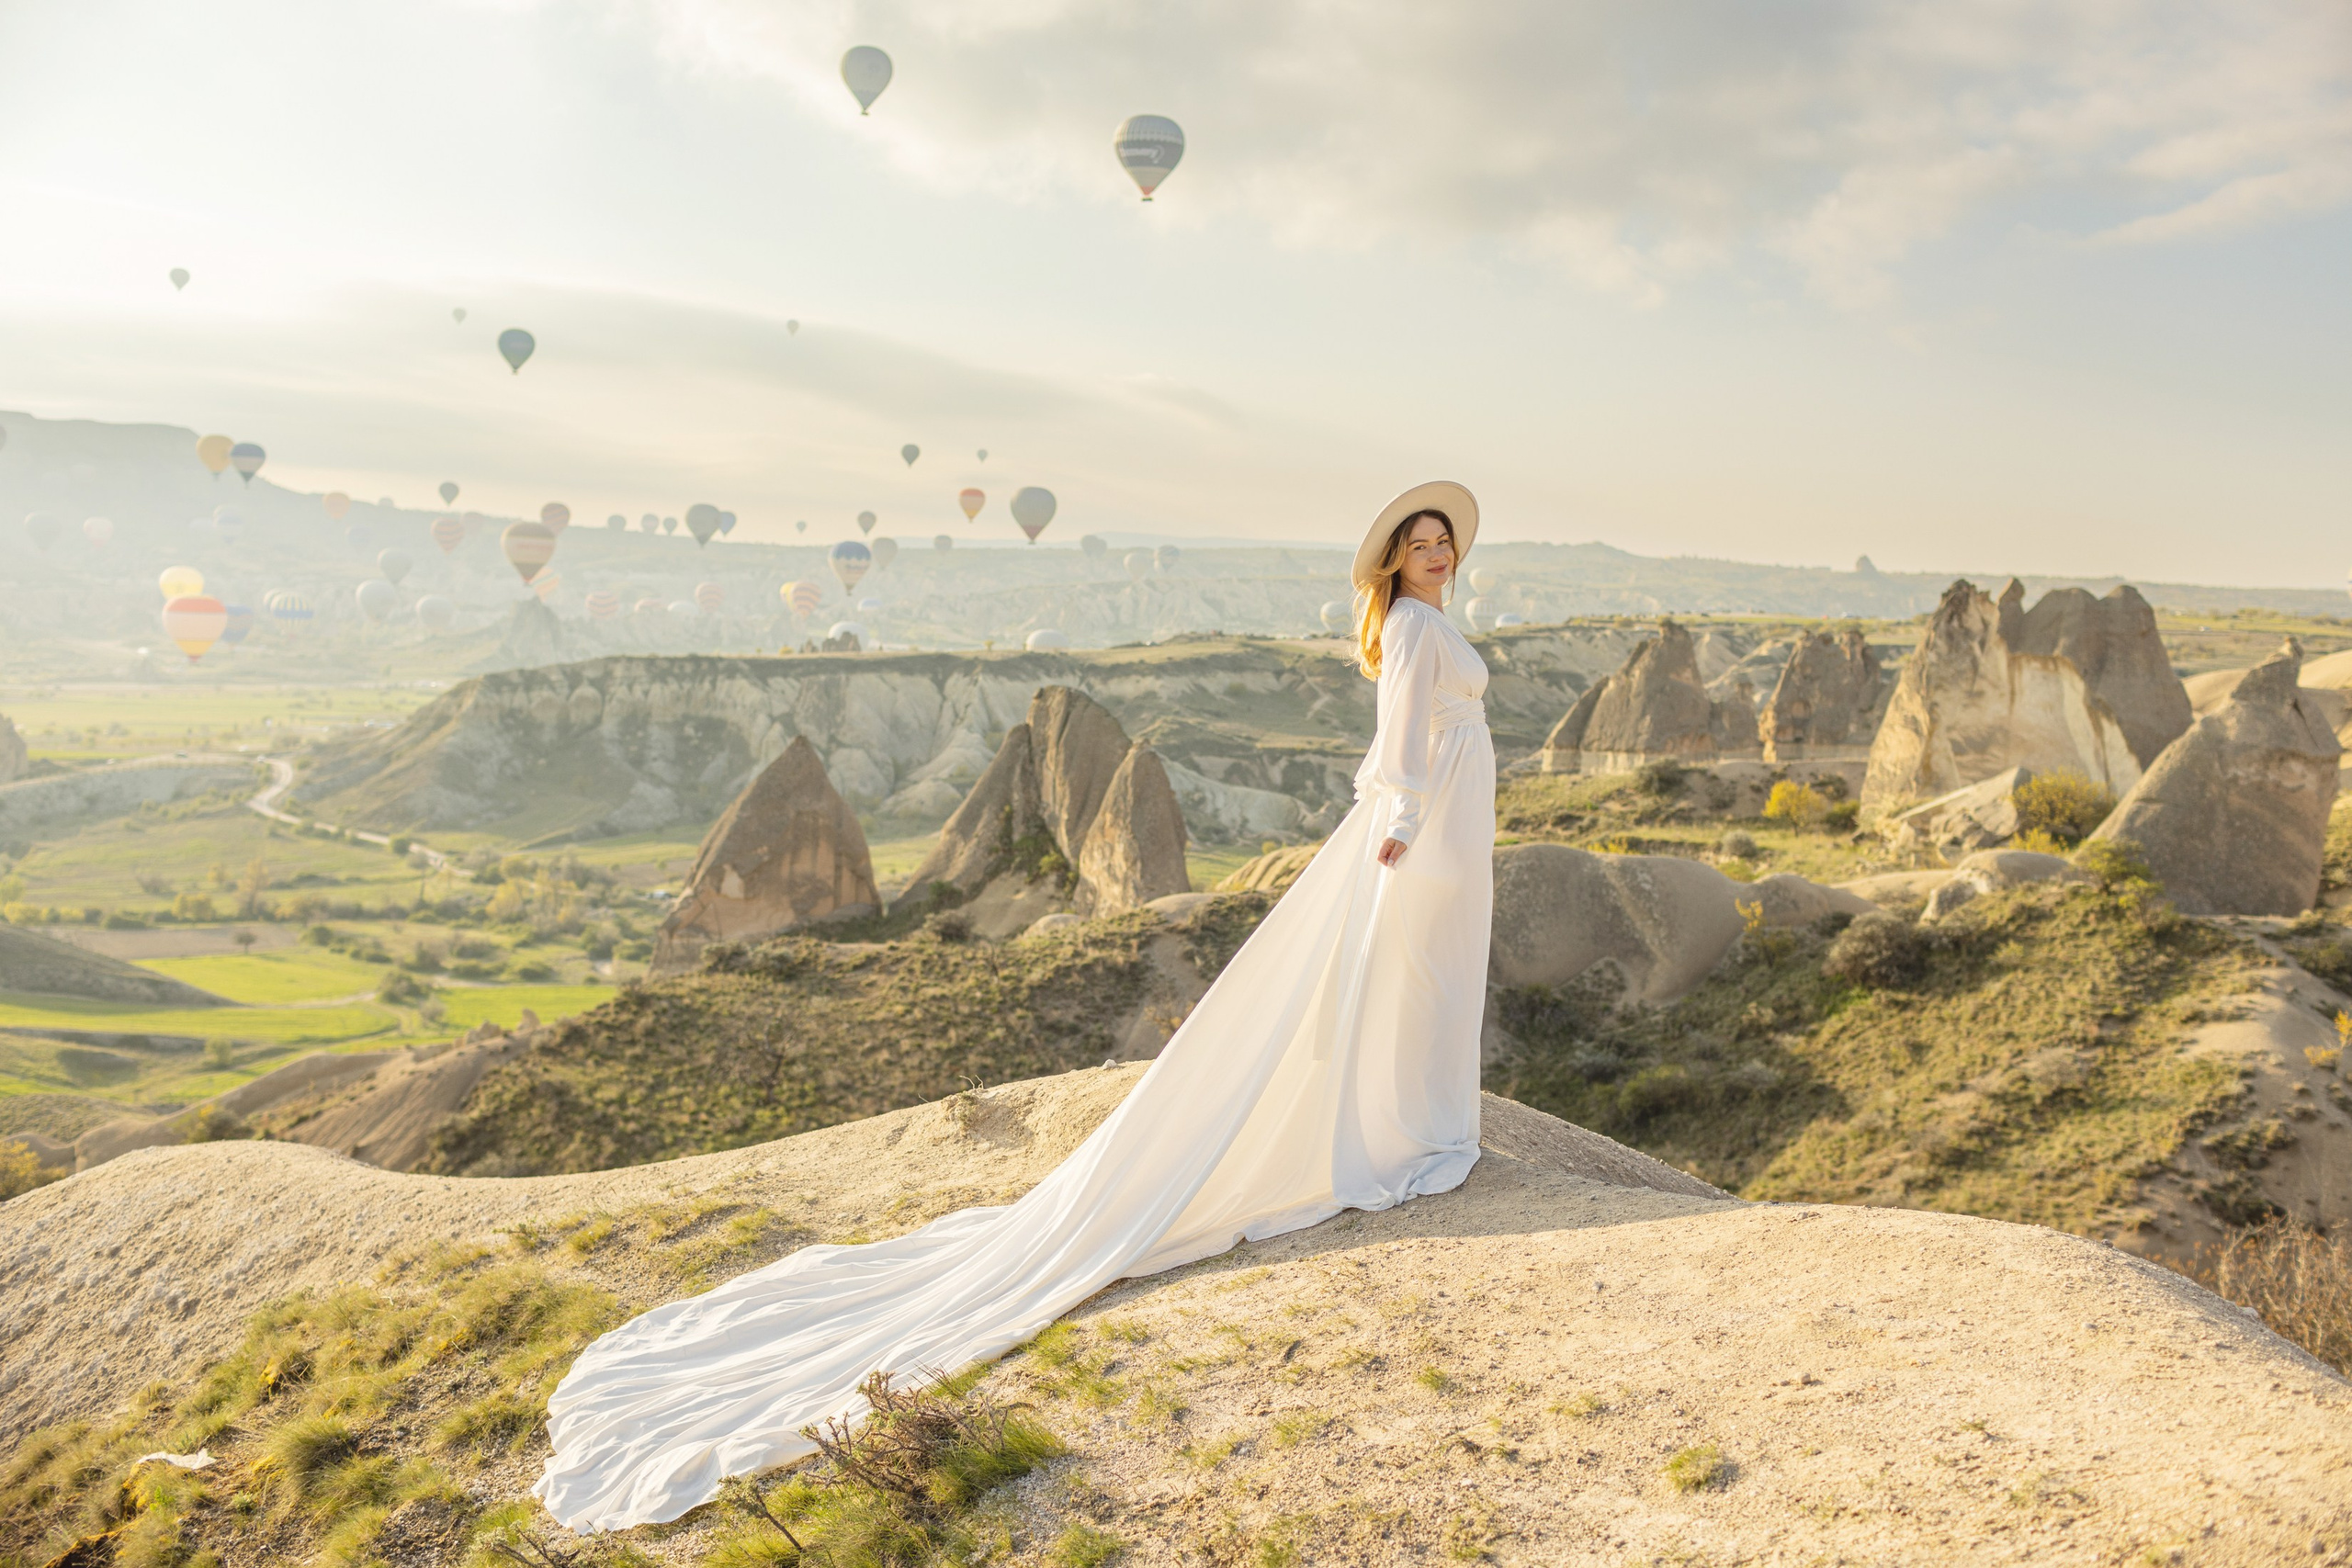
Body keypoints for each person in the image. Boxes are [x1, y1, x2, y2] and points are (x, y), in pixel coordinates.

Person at [534, 481, 1495, 1530]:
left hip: (1443, 816)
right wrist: (1397, 825)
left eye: (1444, 540)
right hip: (1422, 825)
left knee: (1420, 975)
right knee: (1415, 974)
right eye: (1419, 540)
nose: (1436, 551)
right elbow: (1399, 735)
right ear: (1391, 562)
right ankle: (1408, 1128)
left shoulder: (1429, 616)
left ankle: (1411, 1121)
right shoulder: (1407, 625)